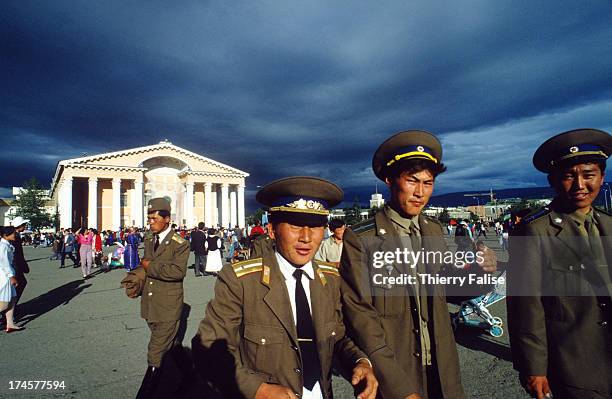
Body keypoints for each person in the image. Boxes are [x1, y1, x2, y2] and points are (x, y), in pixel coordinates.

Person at [341, 130, 495, 399]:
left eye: (428, 183)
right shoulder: (362, 238)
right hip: (396, 372)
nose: (420, 193)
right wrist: (398, 387)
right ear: (390, 180)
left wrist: (481, 271)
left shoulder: (433, 231)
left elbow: (449, 290)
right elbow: (360, 317)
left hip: (441, 369)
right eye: (412, 181)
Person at [194, 176, 377, 399]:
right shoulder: (241, 281)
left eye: (316, 226)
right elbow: (208, 348)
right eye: (295, 225)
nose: (306, 237)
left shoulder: (330, 279)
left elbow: (337, 338)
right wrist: (257, 389)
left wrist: (359, 362)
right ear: (271, 230)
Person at [507, 128, 612, 399]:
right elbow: (525, 306)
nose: (579, 185)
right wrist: (533, 367)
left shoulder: (609, 225)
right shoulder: (535, 231)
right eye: (568, 176)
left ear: (601, 177)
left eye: (588, 175)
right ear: (554, 180)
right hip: (574, 365)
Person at [132, 198, 189, 399]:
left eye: (154, 218)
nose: (150, 222)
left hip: (168, 306)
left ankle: (146, 394)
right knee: (171, 346)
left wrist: (149, 267)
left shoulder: (180, 244)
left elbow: (177, 272)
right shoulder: (149, 239)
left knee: (155, 352)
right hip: (150, 304)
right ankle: (189, 376)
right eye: (149, 219)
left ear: (167, 219)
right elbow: (145, 265)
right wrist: (135, 277)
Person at [0, 226, 24, 333]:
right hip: (5, 276)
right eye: (13, 233)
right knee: (5, 302)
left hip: (9, 274)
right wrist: (11, 276)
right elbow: (4, 263)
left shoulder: (7, 244)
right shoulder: (3, 246)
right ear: (5, 235)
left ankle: (10, 323)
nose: (15, 235)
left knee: (12, 300)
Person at [10, 217, 30, 306]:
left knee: (19, 284)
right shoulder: (14, 237)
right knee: (18, 285)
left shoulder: (15, 235)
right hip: (14, 266)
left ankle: (12, 306)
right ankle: (10, 308)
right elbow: (16, 255)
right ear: (19, 226)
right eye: (24, 225)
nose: (25, 226)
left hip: (16, 266)